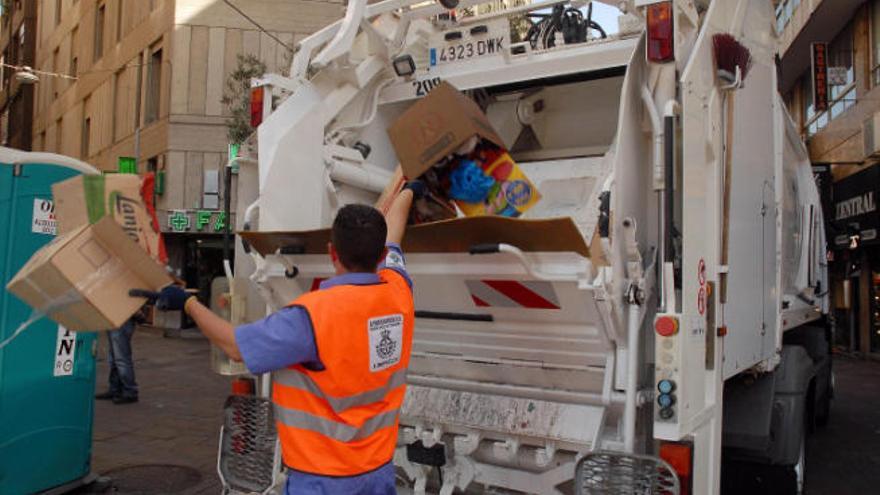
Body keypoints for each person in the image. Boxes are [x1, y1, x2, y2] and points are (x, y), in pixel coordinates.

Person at [151, 184, 421, 494]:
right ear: (383, 256)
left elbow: (235, 347)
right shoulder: (398, 294)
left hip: (322, 481)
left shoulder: (310, 317)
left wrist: (188, 304)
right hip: (377, 475)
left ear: (332, 252)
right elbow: (394, 235)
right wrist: (410, 190)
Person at [95, 309, 144, 405]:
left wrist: (137, 312)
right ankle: (115, 389)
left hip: (123, 319)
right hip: (113, 317)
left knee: (121, 358)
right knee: (114, 358)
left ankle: (130, 391)